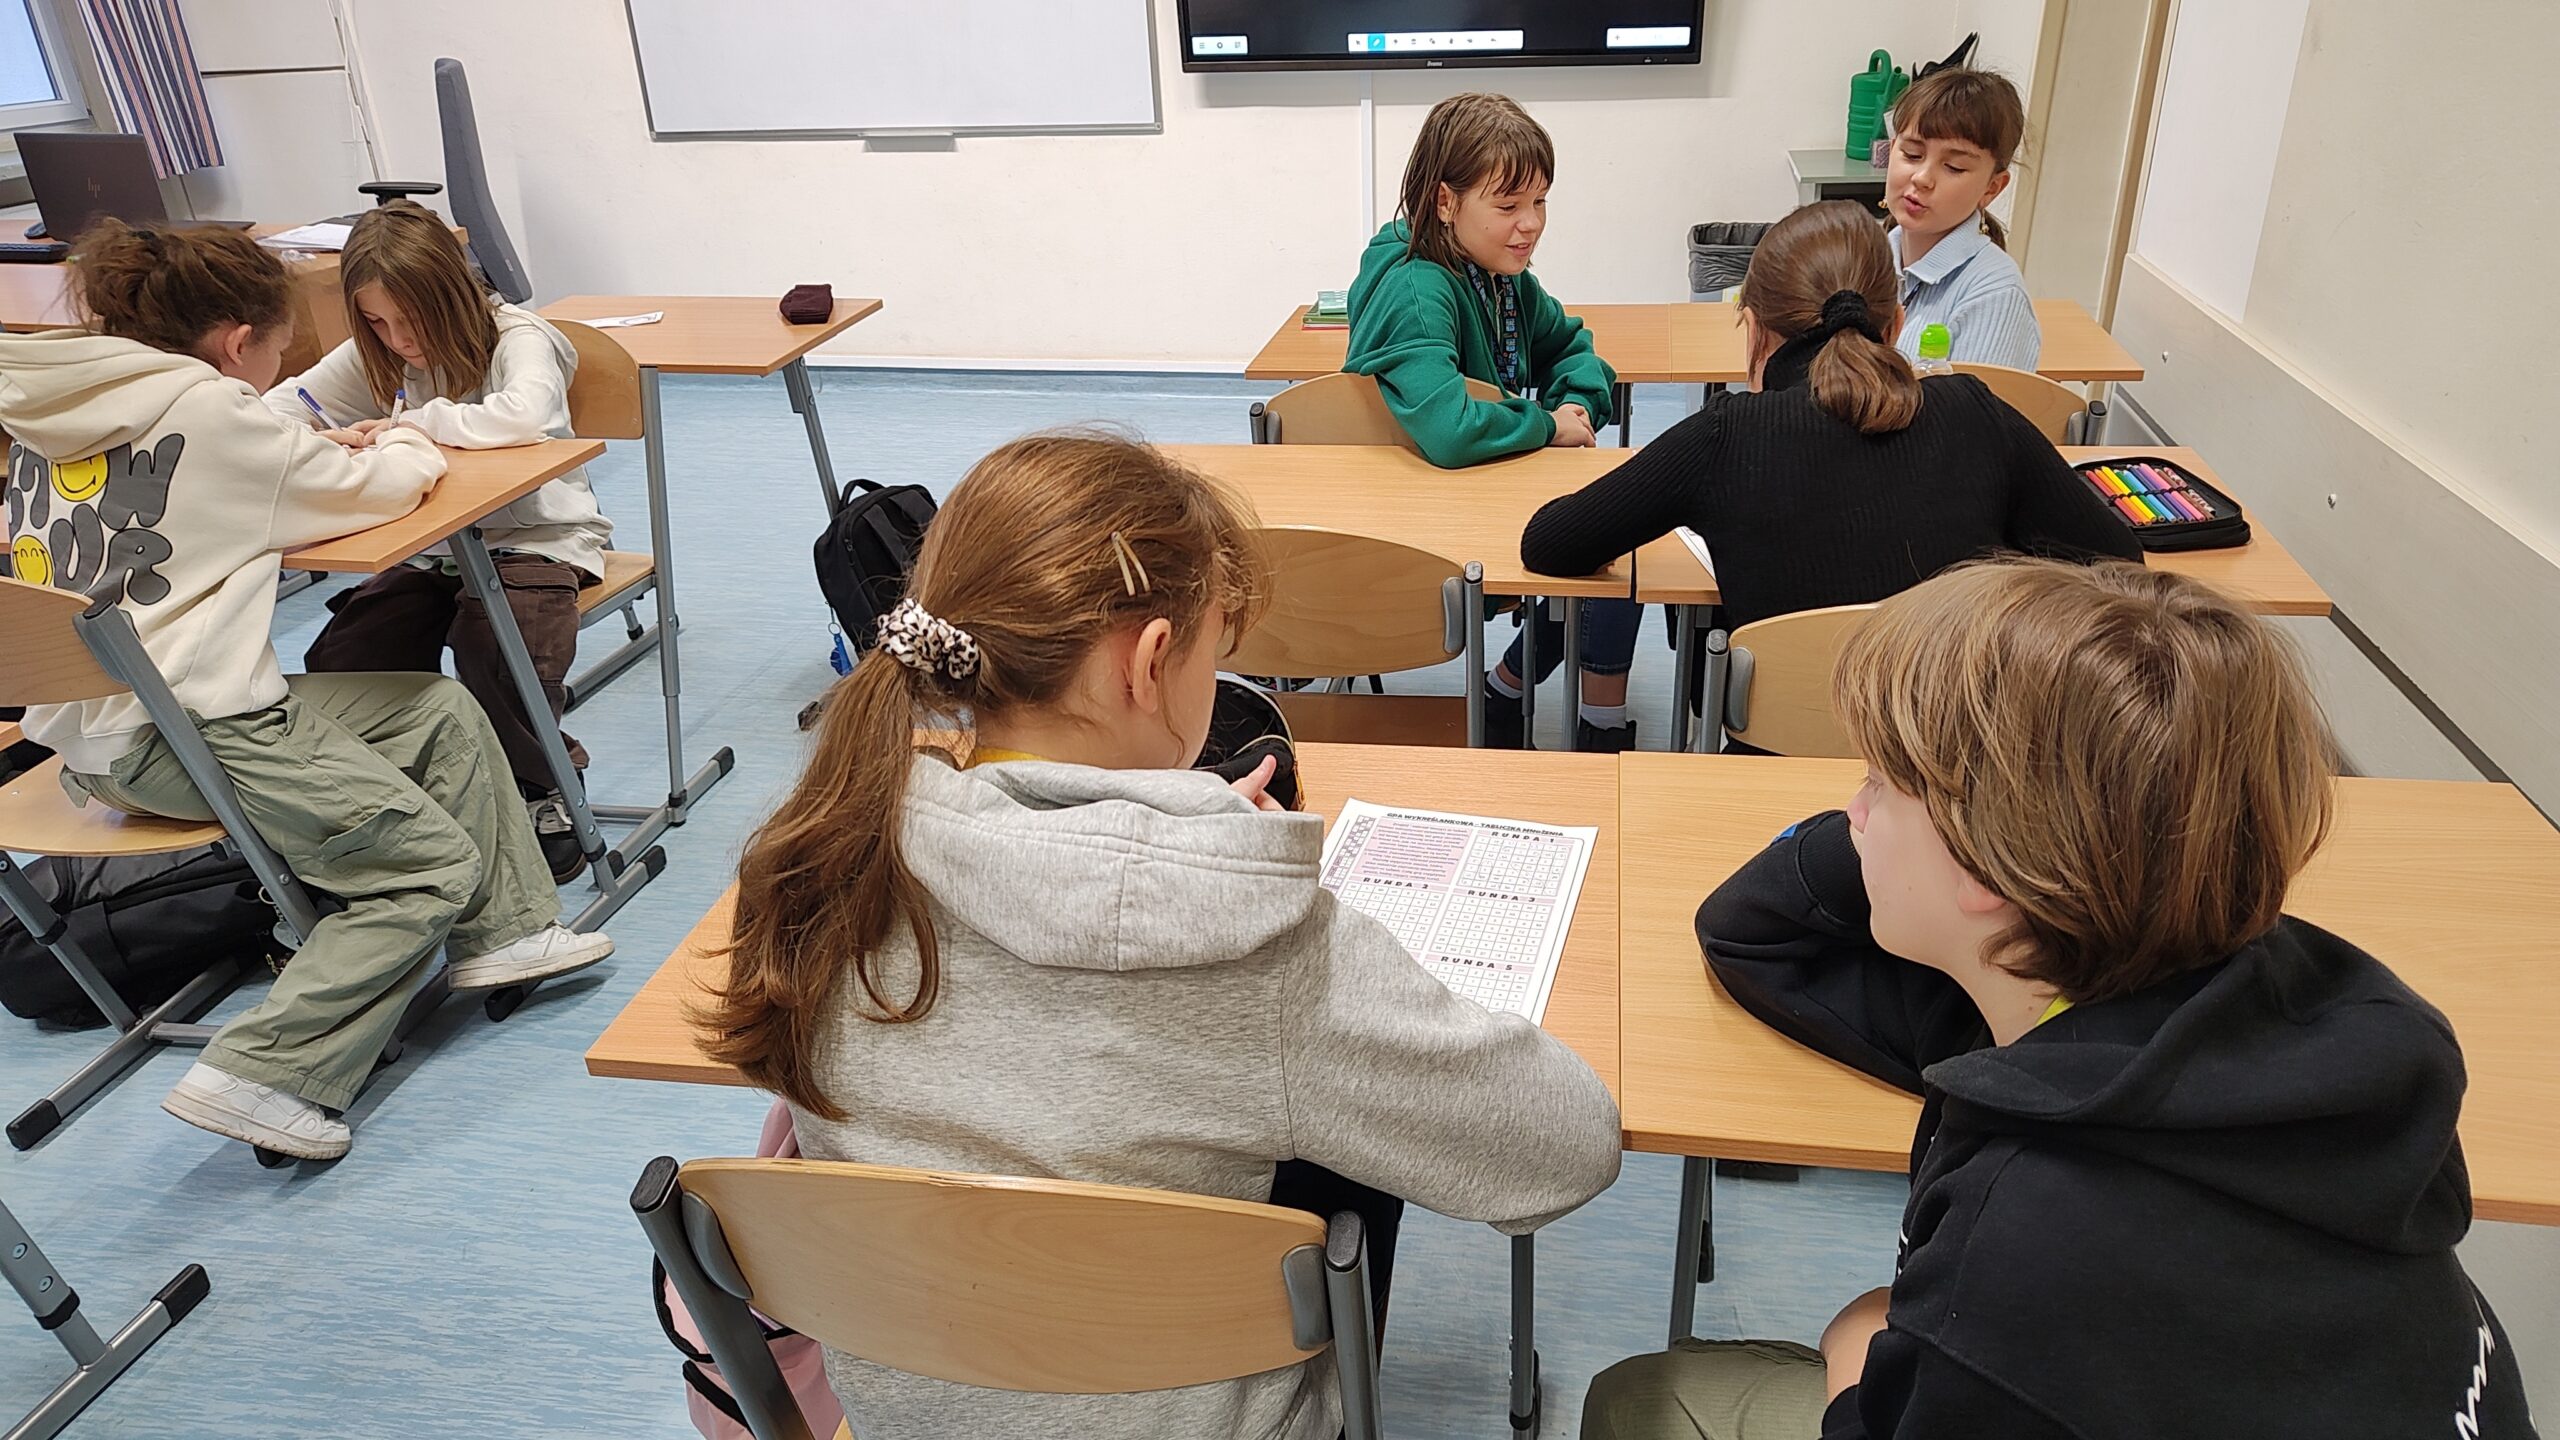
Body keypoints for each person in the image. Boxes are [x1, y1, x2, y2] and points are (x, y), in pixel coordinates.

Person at [706, 432, 1622, 1439]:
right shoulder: (1260, 952)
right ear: (1148, 664)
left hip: (911, 1413)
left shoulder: (815, 863)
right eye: (1215, 654)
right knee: (1351, 1148)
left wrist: (1182, 845)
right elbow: (1567, 1148)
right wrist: (1251, 888)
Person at [1582, 559, 2539, 1440]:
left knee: (1644, 1402)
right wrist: (1944, 821)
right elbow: (1752, 932)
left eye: (1875, 781)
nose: (1853, 811)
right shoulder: (2273, 989)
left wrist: (1856, 1343)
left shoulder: (2023, 1246)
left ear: (1984, 863)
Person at [0, 221, 611, 1160]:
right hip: (187, 732)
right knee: (424, 867)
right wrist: (398, 444)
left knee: (435, 709)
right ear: (237, 342)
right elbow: (380, 489)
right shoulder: (211, 413)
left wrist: (328, 444)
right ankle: (263, 1072)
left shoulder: (58, 416)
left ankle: (508, 931)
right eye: (277, 350)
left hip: (87, 731)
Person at [1518, 199, 2138, 741]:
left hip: (1772, 769)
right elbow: (2117, 562)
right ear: (1896, 326)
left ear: (1752, 328)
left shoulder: (1724, 435)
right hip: (1951, 774)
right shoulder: (1975, 411)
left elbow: (1550, 544)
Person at [271, 199, 613, 882]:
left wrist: (412, 424)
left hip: (538, 540)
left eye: (411, 318)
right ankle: (405, 793)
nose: (398, 338)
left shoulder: (518, 336)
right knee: (347, 656)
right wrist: (317, 436)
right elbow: (281, 406)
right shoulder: (375, 354)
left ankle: (546, 784)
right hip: (436, 551)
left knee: (496, 650)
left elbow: (524, 416)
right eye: (376, 322)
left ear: (452, 295)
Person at [1344, 92, 1638, 750]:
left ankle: (1510, 692)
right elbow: (1449, 430)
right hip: (1414, 531)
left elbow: (1574, 347)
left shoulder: (1498, 277)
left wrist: (1574, 406)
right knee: (1609, 545)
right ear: (1446, 202)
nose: (1530, 224)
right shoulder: (1416, 288)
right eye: (1508, 206)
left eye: (1540, 202)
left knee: (1618, 531)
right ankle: (1596, 735)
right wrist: (1548, 426)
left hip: (1472, 498)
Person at [1885, 66, 2038, 369]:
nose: (1922, 178)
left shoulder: (1995, 294)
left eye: (1954, 167)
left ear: (1992, 188)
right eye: (1912, 154)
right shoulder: (1866, 258)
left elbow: (1978, 401)